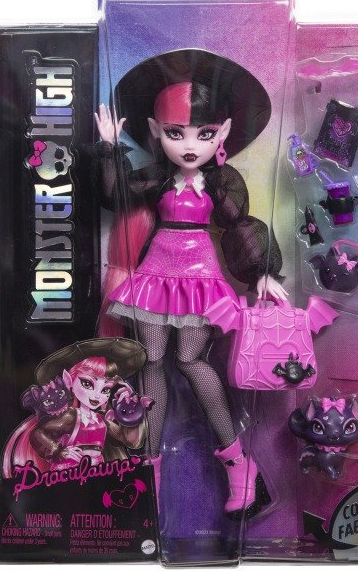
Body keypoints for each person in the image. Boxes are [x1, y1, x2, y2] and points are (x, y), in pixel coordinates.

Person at [92, 49, 287, 519]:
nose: (189, 146)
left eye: (204, 133)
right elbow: (117, 194)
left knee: (191, 361)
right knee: (151, 362)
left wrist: (261, 271)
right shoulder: (158, 179)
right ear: (155, 131)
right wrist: (109, 148)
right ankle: (147, 469)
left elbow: (240, 226)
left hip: (200, 277)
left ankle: (240, 466)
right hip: (156, 274)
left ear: (223, 132)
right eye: (175, 133)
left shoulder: (221, 182)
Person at [2, 339, 148, 476]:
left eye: (105, 389)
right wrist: (57, 450)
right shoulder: (71, 417)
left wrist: (133, 413)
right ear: (69, 380)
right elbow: (38, 434)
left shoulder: (100, 420)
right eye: (87, 384)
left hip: (97, 469)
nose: (97, 395)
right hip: (70, 469)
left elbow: (130, 441)